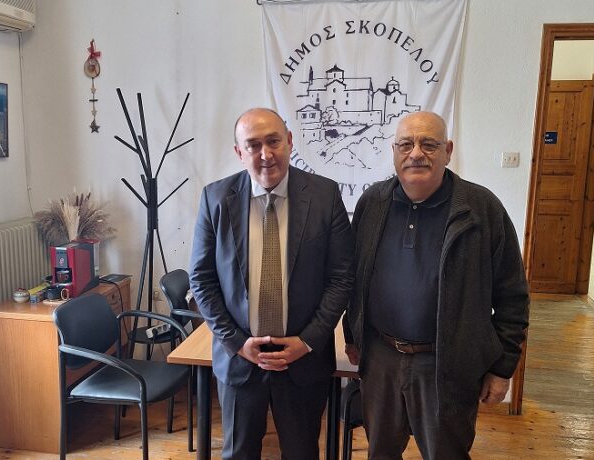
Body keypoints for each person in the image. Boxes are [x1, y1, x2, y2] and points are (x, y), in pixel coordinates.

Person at [343, 111, 529, 459]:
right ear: (394, 151)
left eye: (429, 144)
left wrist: (502, 367)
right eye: (406, 144)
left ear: (448, 151)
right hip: (381, 359)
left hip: (447, 366)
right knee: (380, 452)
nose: (416, 153)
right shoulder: (373, 202)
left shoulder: (481, 209)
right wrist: (352, 335)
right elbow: (355, 277)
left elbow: (513, 297)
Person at [189, 108, 355, 460]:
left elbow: (341, 277)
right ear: (239, 152)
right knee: (238, 453)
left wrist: (307, 341)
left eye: (273, 141)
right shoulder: (215, 198)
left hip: (303, 361)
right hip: (239, 360)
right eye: (253, 145)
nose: (266, 154)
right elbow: (202, 280)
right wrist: (237, 343)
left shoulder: (324, 196)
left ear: (289, 141)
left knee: (301, 453)